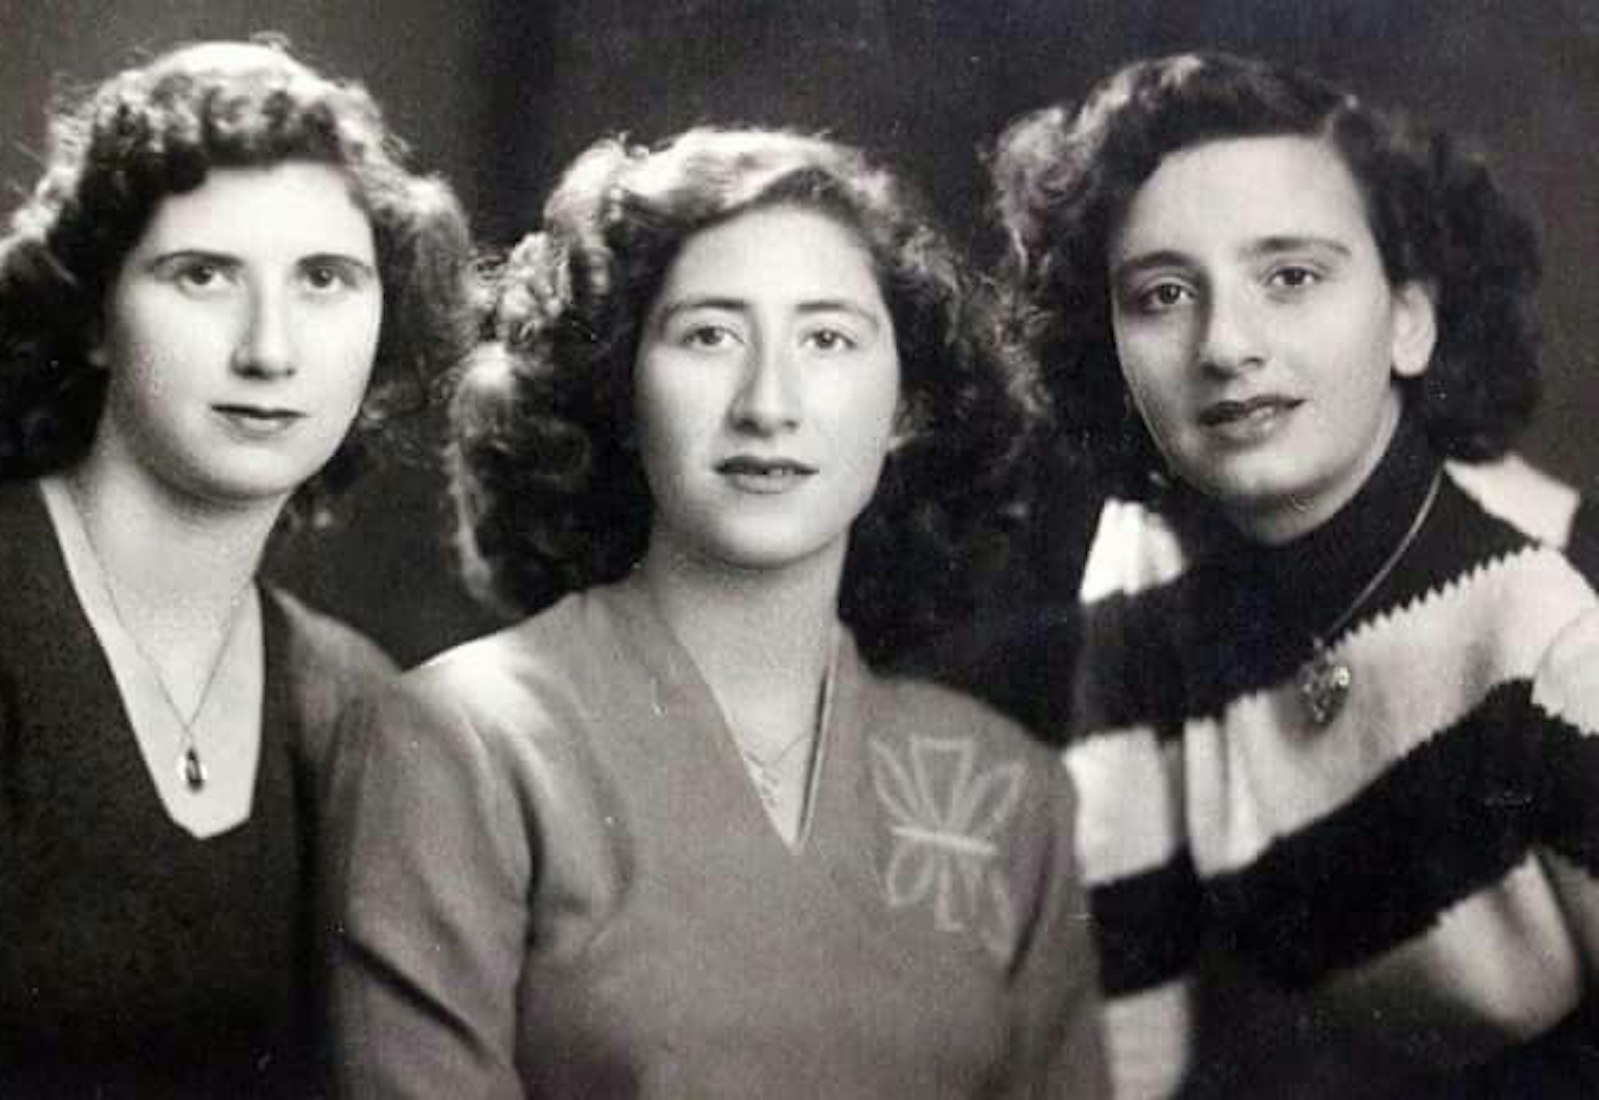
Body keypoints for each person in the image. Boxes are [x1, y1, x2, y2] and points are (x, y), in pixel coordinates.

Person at [327, 126, 1109, 1098]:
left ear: (906, 404)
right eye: (709, 335)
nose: (768, 404)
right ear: (619, 387)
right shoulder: (464, 740)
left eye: (827, 339)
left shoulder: (1010, 790)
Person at [990, 52, 1599, 1098]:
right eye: (1162, 294)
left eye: (1291, 277)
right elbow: (1126, 1001)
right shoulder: (1148, 558)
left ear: (1409, 318)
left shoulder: (1560, 637)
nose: (1226, 345)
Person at [0, 39, 473, 1096]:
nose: (270, 348)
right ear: (93, 314)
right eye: (203, 275)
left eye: (324, 280)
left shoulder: (349, 700)